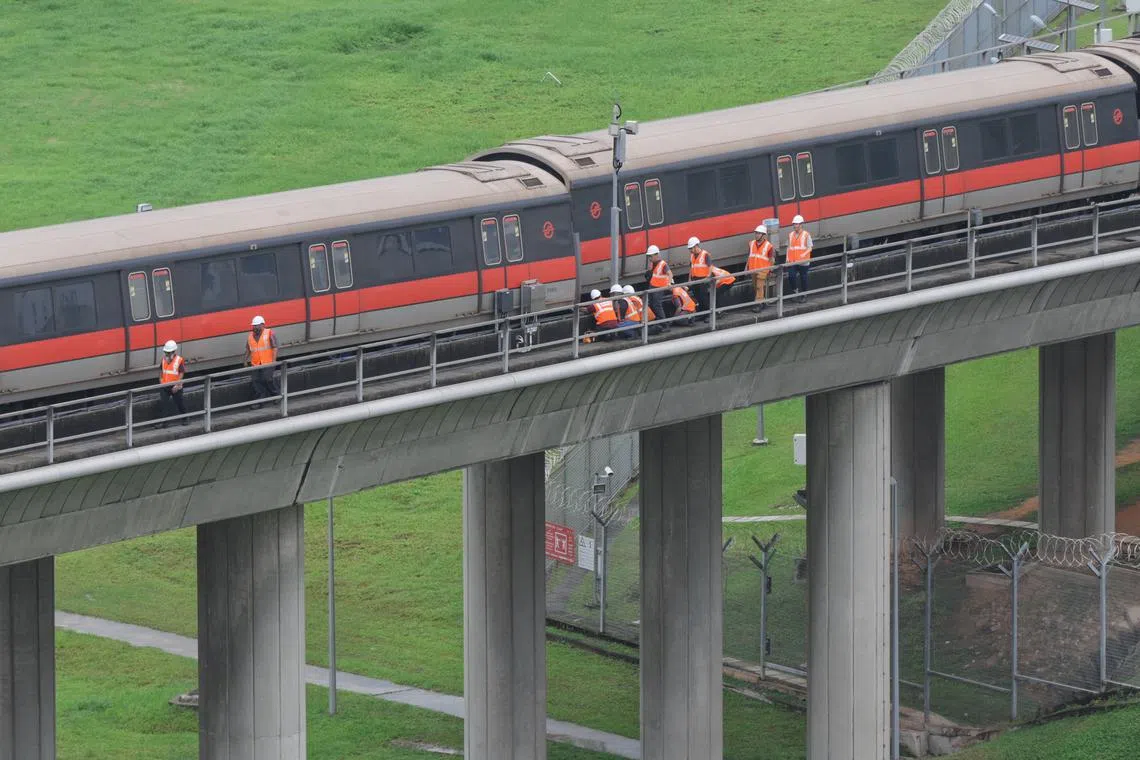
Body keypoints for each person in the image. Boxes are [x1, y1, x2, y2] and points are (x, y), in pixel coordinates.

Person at [243, 315, 279, 405]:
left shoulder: (269, 333)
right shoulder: (250, 336)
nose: (255, 327)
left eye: (257, 325)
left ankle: (276, 395)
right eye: (254, 325)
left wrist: (274, 361)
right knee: (255, 381)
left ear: (262, 325)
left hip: (268, 362)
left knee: (268, 379)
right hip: (256, 363)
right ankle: (260, 400)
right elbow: (248, 349)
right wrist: (245, 360)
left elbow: (275, 347)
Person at [159, 339, 187, 426]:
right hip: (165, 386)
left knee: (179, 403)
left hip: (175, 387)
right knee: (164, 404)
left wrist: (177, 385)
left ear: (173, 352)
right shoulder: (163, 359)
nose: (167, 354)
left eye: (168, 352)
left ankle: (185, 419)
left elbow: (181, 373)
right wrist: (160, 380)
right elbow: (161, 371)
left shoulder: (179, 360)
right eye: (166, 352)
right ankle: (164, 423)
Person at [747, 225, 775, 311]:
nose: (757, 235)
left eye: (759, 233)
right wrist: (747, 268)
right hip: (753, 269)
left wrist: (769, 270)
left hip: (763, 270)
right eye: (756, 233)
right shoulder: (751, 244)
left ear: (764, 235)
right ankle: (762, 302)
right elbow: (749, 256)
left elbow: (772, 259)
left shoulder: (769, 246)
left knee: (759, 287)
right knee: (756, 287)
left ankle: (758, 305)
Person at [645, 245, 672, 330]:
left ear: (656, 255)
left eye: (651, 256)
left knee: (657, 305)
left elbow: (670, 274)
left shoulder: (663, 264)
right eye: (649, 256)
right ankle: (659, 321)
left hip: (659, 288)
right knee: (652, 304)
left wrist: (669, 283)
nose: (649, 258)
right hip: (653, 286)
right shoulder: (653, 264)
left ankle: (664, 324)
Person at [786, 215, 813, 301]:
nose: (795, 226)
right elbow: (789, 247)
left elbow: (810, 247)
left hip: (803, 261)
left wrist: (804, 254)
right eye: (794, 224)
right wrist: (787, 258)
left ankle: (804, 295)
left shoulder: (806, 235)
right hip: (793, 261)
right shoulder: (790, 235)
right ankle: (795, 291)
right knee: (791, 276)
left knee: (803, 278)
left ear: (801, 224)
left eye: (797, 224)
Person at [687, 236, 712, 320]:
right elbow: (691, 267)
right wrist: (689, 279)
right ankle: (702, 314)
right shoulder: (692, 256)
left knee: (703, 297)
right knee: (698, 297)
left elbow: (710, 266)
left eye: (691, 248)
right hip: (695, 280)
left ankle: (708, 314)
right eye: (689, 248)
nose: (690, 250)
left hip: (703, 280)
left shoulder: (705, 254)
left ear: (696, 246)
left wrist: (708, 276)